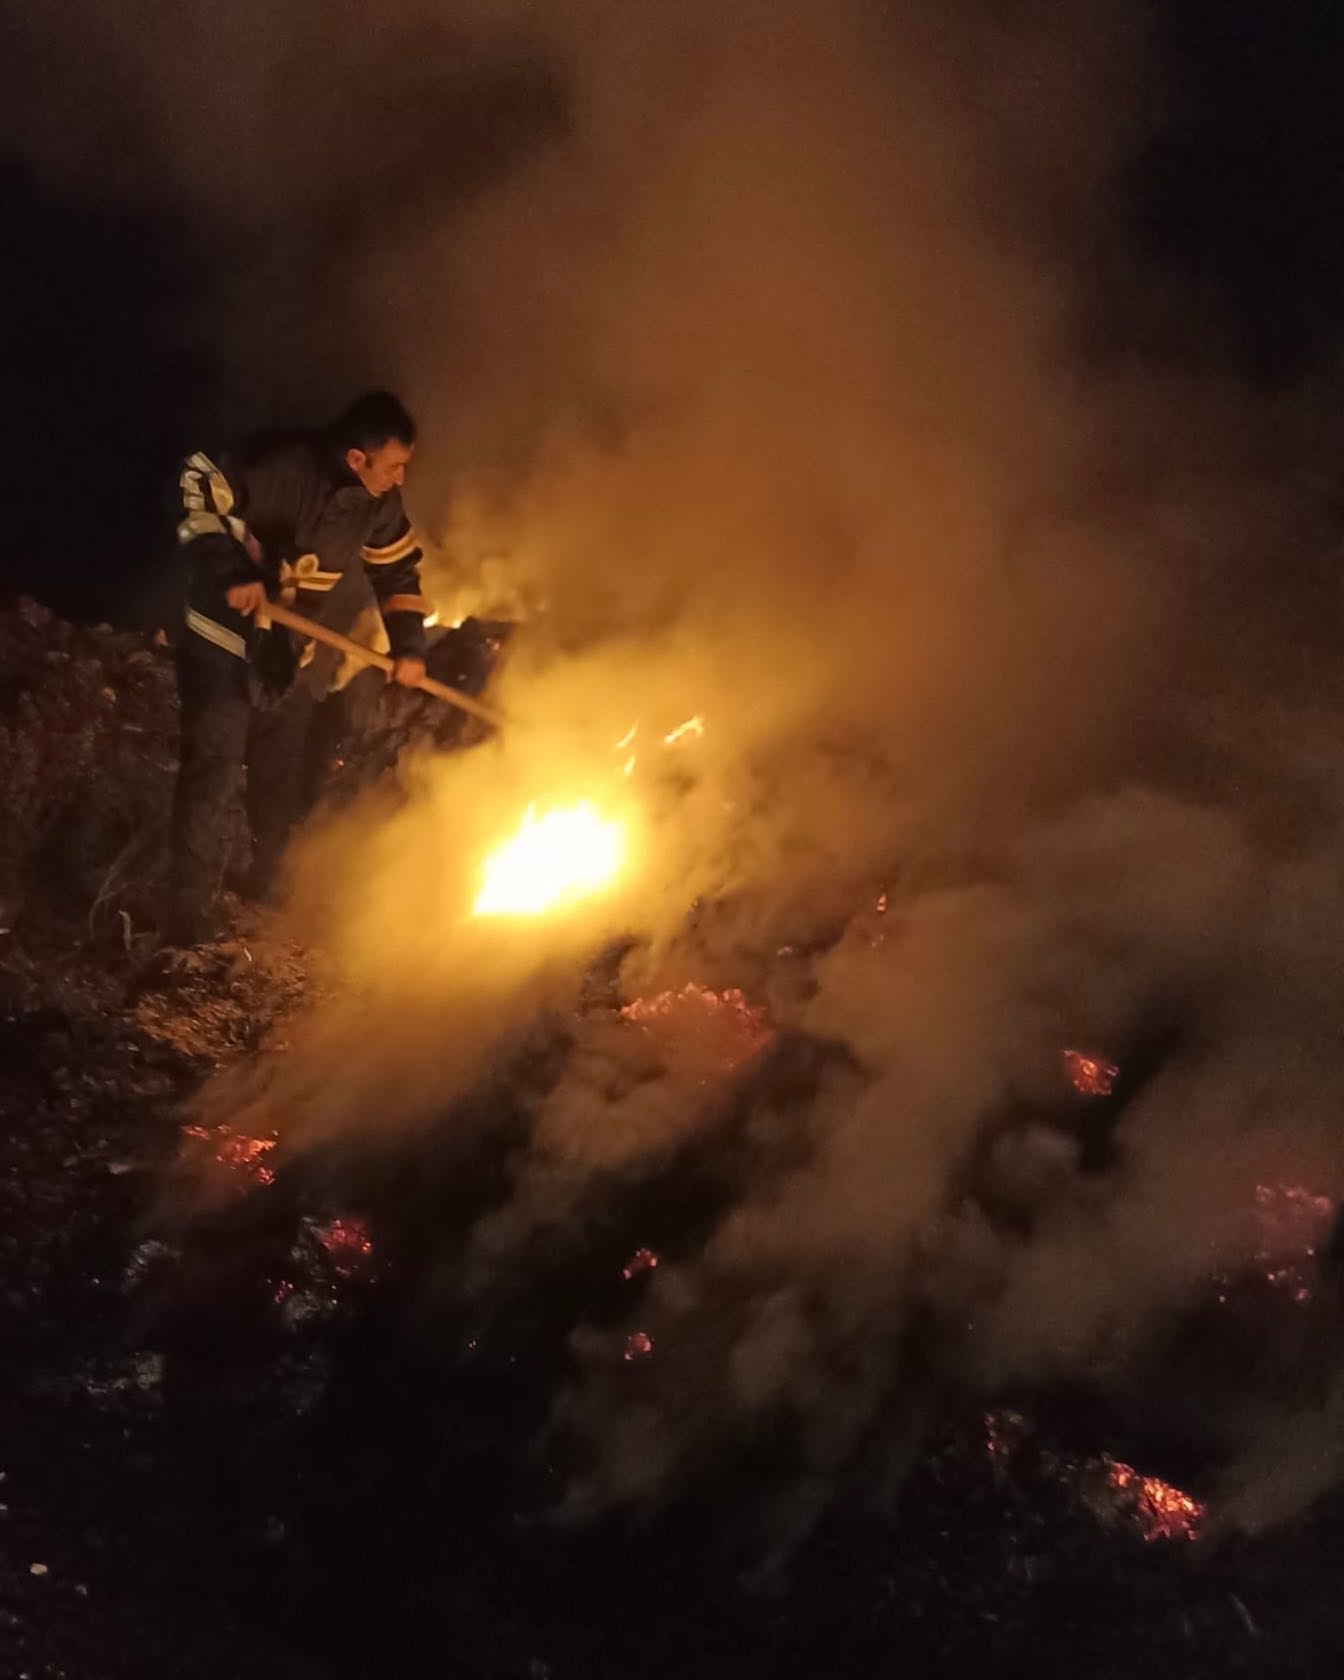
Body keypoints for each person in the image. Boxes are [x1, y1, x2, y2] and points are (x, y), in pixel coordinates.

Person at [167, 390, 429, 943]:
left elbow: (398, 571)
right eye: (394, 466)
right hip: (221, 640)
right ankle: (187, 920)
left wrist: (409, 648)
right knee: (215, 769)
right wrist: (231, 571)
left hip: (286, 653)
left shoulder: (378, 503)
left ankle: (270, 887)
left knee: (277, 770)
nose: (400, 478)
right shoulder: (281, 465)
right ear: (357, 458)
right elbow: (197, 481)